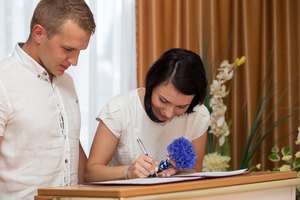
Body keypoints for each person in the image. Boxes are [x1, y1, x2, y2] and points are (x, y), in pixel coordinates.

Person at [0, 0, 96, 199]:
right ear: (39, 33)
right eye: (68, 49)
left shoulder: (67, 83)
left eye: (79, 52)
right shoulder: (4, 81)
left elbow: (71, 150)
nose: (75, 61)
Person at [85, 48, 210, 181]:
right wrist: (128, 171)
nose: (168, 114)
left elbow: (195, 170)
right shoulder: (119, 110)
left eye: (181, 107)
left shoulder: (198, 115)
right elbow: (90, 173)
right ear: (152, 83)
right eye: (163, 100)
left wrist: (176, 170)